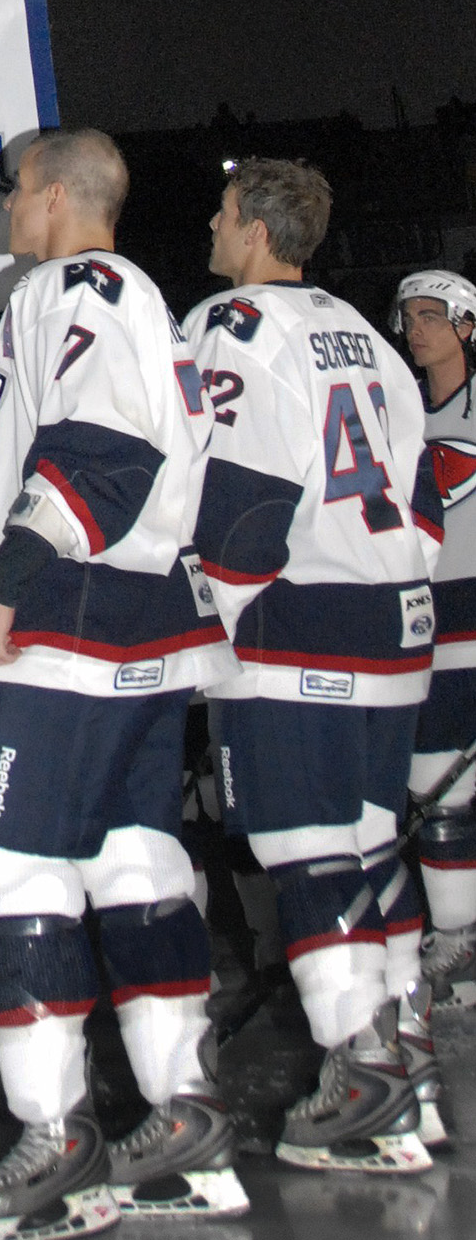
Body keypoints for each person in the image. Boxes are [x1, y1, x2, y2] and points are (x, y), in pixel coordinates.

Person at [0, 129, 233, 1240]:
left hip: (68, 612)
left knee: (9, 864)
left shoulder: (67, 284)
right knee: (130, 862)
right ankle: (185, 1117)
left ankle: (56, 1141)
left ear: (58, 196)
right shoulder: (140, 298)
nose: (5, 209)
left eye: (14, 190)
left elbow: (104, 452)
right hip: (149, 617)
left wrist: (8, 579)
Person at [188, 162, 441, 1167]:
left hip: (299, 624)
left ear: (253, 229)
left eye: (219, 212)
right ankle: (400, 1048)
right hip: (393, 620)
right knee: (369, 846)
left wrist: (213, 613)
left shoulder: (233, 326)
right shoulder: (365, 333)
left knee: (304, 850)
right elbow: (422, 494)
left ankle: (360, 1066)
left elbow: (246, 494)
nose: (209, 225)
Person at [391, 270, 476, 1010]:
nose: (415, 330)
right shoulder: (395, 410)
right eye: (408, 317)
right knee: (437, 789)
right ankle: (458, 939)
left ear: (466, 326)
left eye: (431, 316)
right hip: (431, 621)